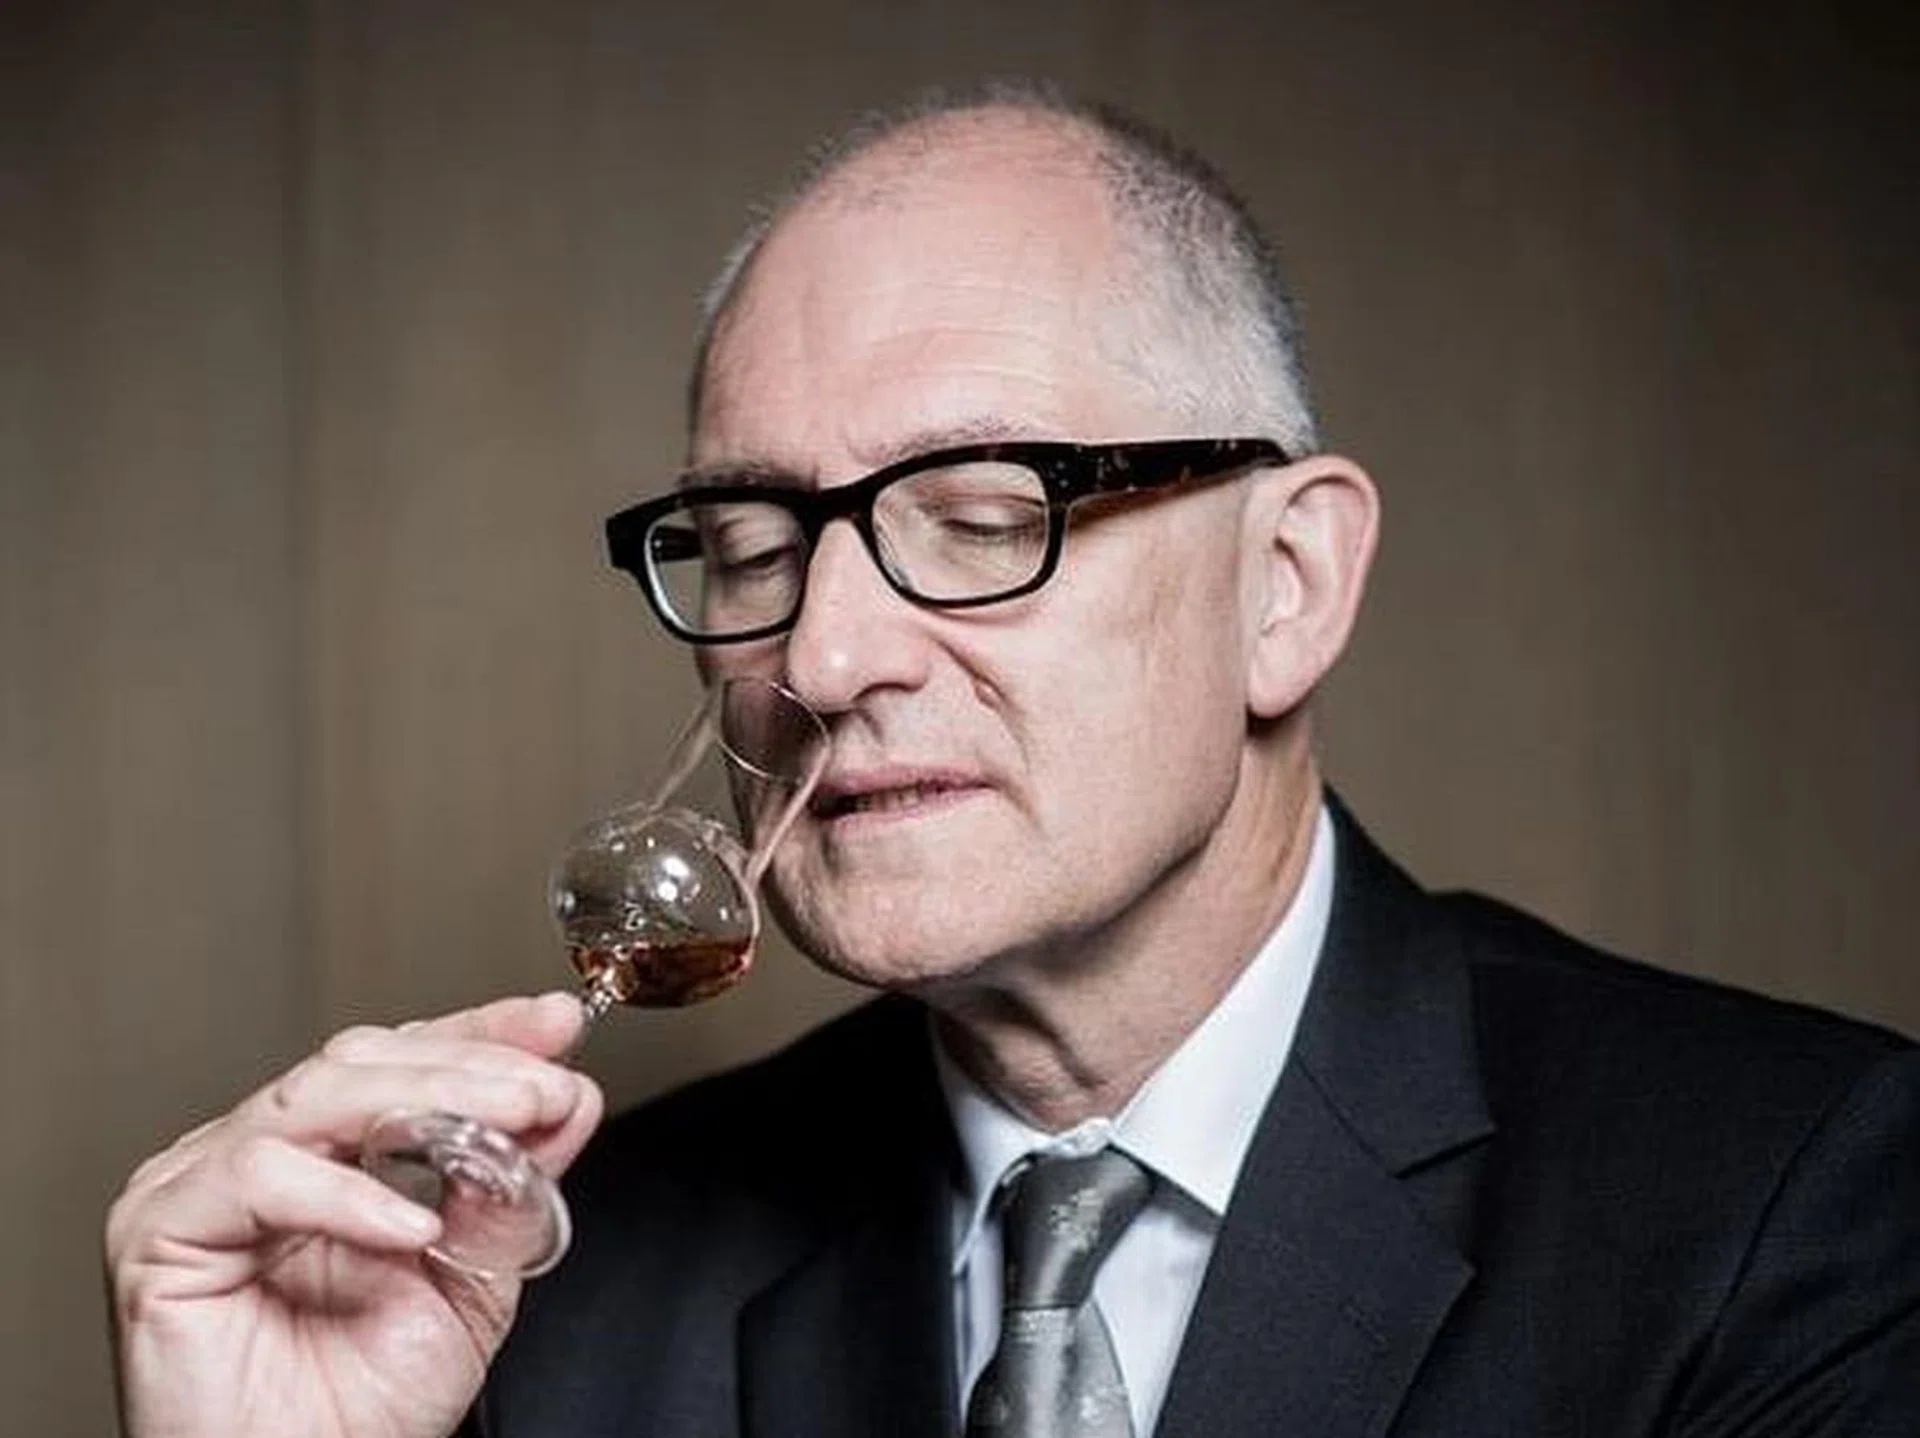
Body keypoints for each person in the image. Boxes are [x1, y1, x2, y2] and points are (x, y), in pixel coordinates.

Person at [107, 86, 1920, 1438]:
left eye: (981, 521)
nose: (821, 657)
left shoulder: (1786, 1204)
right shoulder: (559, 1297)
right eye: (749, 547)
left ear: (1286, 585)